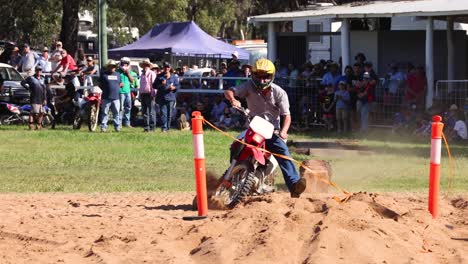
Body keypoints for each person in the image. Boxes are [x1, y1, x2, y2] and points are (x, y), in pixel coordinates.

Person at [223, 58, 307, 198]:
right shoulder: (248, 86)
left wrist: (284, 132)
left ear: (272, 76)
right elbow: (229, 91)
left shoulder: (280, 93)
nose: (262, 80)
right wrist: (233, 99)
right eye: (259, 76)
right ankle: (232, 172)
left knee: (283, 152)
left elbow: (287, 115)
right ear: (253, 75)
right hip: (253, 127)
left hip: (271, 131)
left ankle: (294, 185)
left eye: (266, 76)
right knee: (236, 143)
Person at [99, 60, 122, 132]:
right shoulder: (103, 75)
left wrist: (120, 85)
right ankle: (103, 127)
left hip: (116, 97)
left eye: (113, 66)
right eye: (111, 66)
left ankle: (117, 127)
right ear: (108, 67)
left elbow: (120, 83)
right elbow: (99, 84)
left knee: (116, 113)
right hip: (106, 97)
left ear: (115, 67)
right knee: (105, 113)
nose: (112, 68)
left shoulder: (118, 74)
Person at [155, 62, 179, 132]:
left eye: (168, 67)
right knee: (163, 113)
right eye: (165, 67)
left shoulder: (173, 77)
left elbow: (178, 86)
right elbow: (154, 86)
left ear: (170, 68)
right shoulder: (159, 76)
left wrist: (174, 88)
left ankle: (168, 128)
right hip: (162, 97)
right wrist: (161, 84)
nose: (166, 68)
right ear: (163, 68)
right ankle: (164, 128)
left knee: (169, 114)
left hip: (171, 97)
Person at [138, 59, 157, 132]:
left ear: (149, 66)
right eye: (144, 65)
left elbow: (154, 85)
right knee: (144, 111)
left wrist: (153, 95)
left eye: (146, 65)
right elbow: (141, 86)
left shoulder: (152, 73)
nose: (145, 66)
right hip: (143, 94)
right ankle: (146, 127)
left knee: (151, 111)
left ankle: (152, 127)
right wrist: (139, 95)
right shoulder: (142, 75)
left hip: (150, 94)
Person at [116, 57, 135, 128]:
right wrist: (118, 84)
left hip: (127, 91)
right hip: (120, 92)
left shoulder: (129, 71)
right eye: (124, 63)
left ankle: (127, 123)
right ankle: (119, 123)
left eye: (126, 63)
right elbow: (115, 81)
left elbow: (132, 81)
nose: (125, 64)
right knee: (121, 108)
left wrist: (127, 73)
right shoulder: (117, 71)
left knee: (128, 107)